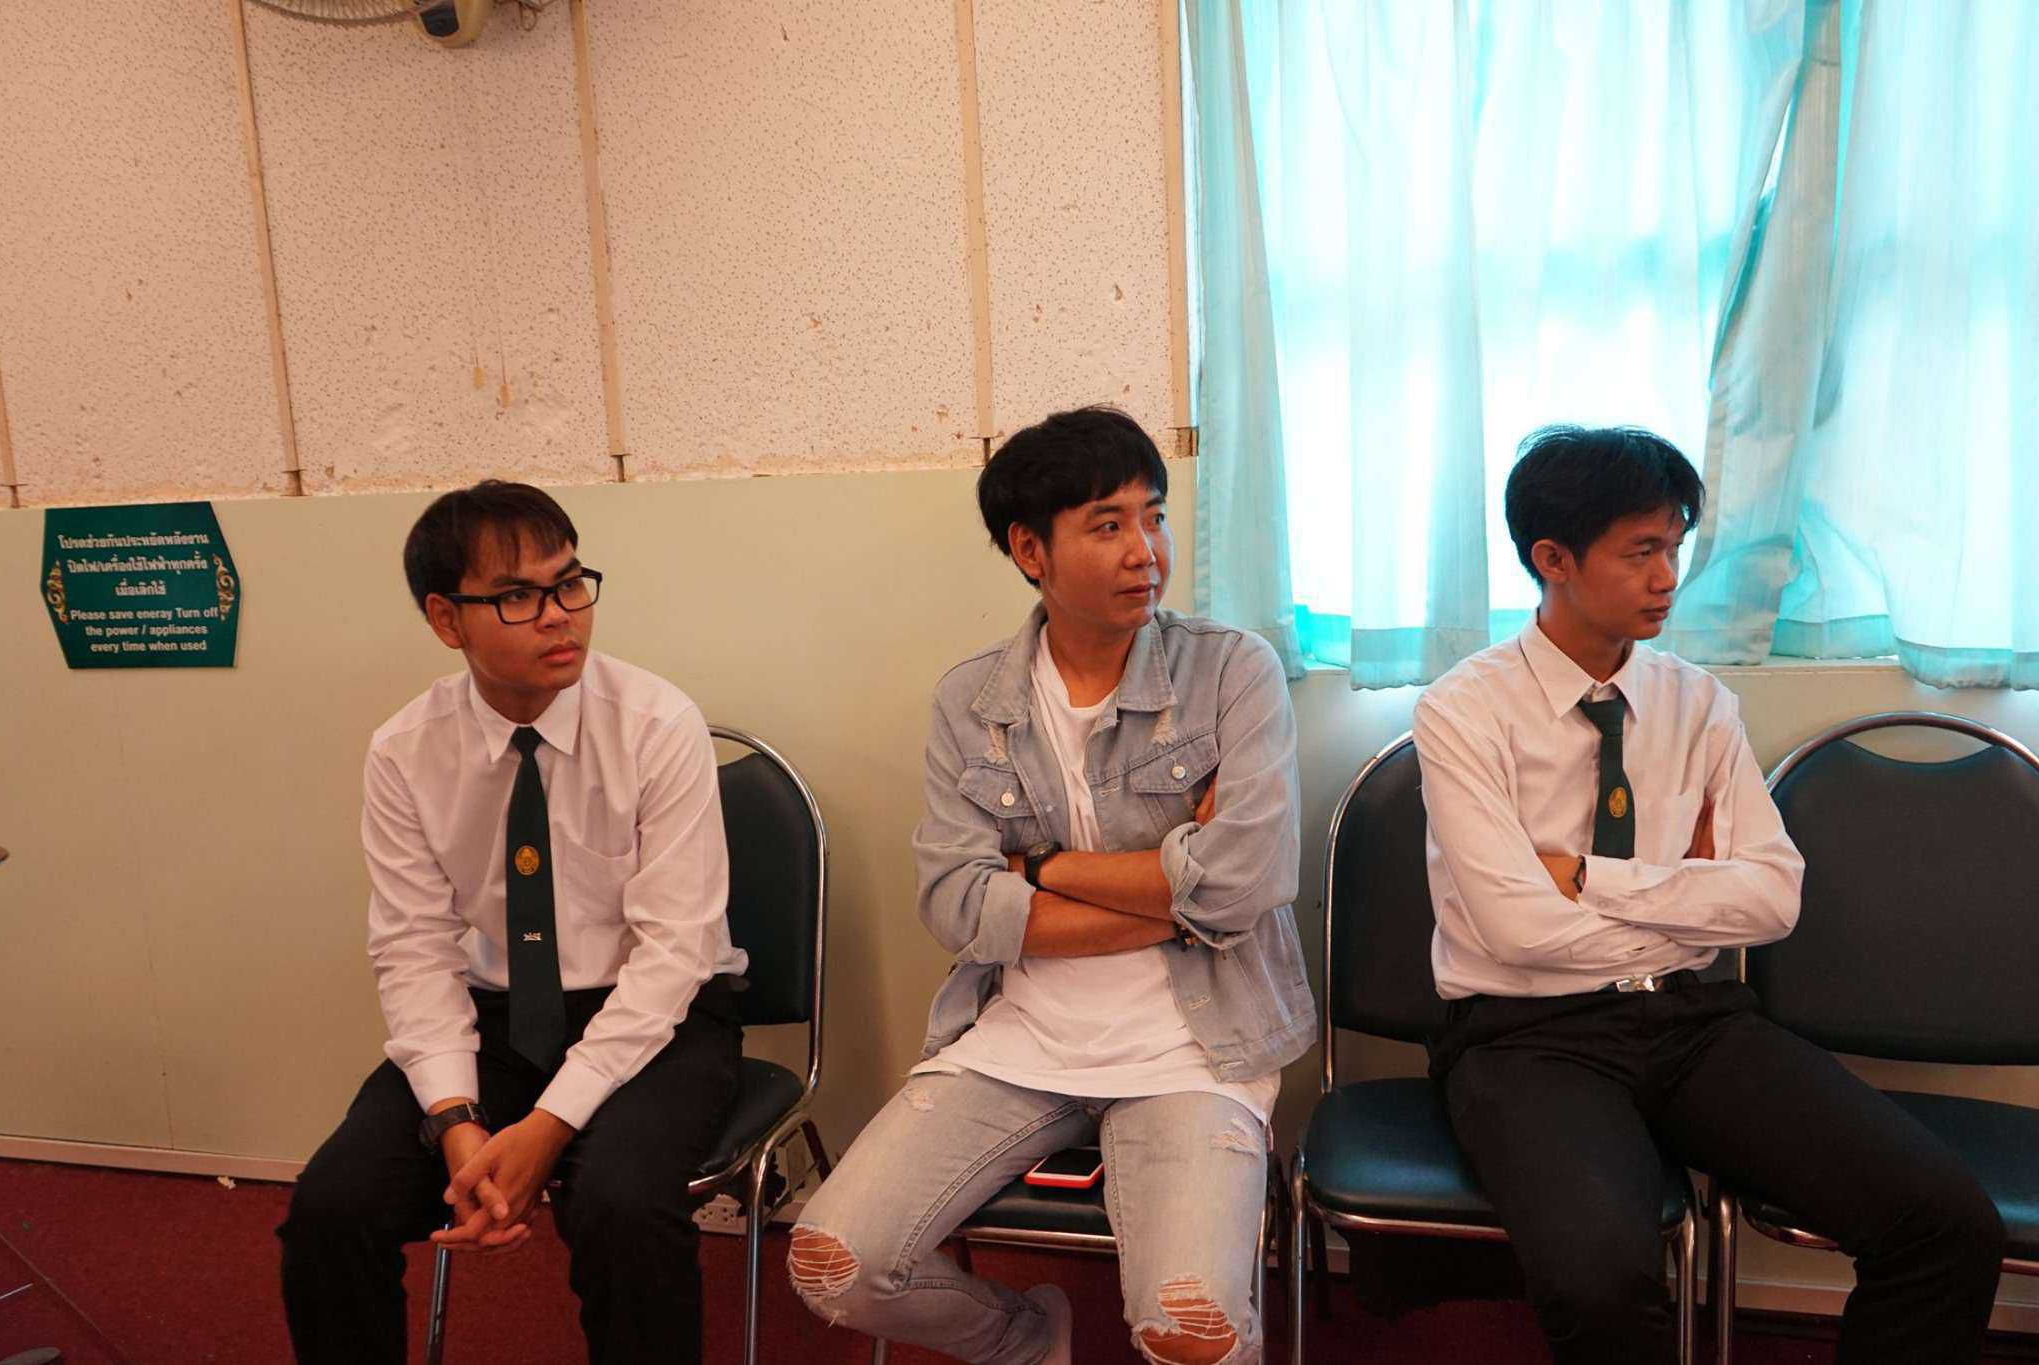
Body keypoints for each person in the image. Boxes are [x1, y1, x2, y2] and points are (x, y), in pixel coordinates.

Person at [1414, 426, 2005, 1363]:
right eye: (1641, 550)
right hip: (1525, 1036)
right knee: (1600, 1281)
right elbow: (1516, 930)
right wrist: (1692, 899)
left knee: (1948, 1223)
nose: (1668, 577)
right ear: (1553, 559)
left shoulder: (1700, 704)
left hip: (1695, 1020)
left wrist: (1590, 878)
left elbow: (1772, 901)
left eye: (1676, 546)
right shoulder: (1461, 710)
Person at [787, 406, 1311, 1365]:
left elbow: (1247, 882)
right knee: (834, 1264)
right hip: (1019, 1037)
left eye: (1154, 516)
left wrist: (1039, 867)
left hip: (1196, 1046)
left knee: (1189, 1333)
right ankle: (1027, 1339)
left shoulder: (1232, 671)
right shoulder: (972, 700)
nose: (1146, 550)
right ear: (1031, 549)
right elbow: (955, 902)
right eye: (1107, 524)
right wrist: (1177, 898)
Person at [277, 480, 747, 1364]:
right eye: (518, 596)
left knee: (621, 1205)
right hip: (493, 1021)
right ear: (446, 619)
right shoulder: (405, 751)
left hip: (661, 1017)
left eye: (570, 583)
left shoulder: (656, 724)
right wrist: (457, 1119)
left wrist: (548, 1126)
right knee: (330, 1211)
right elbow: (414, 950)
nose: (559, 614)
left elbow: (674, 953)